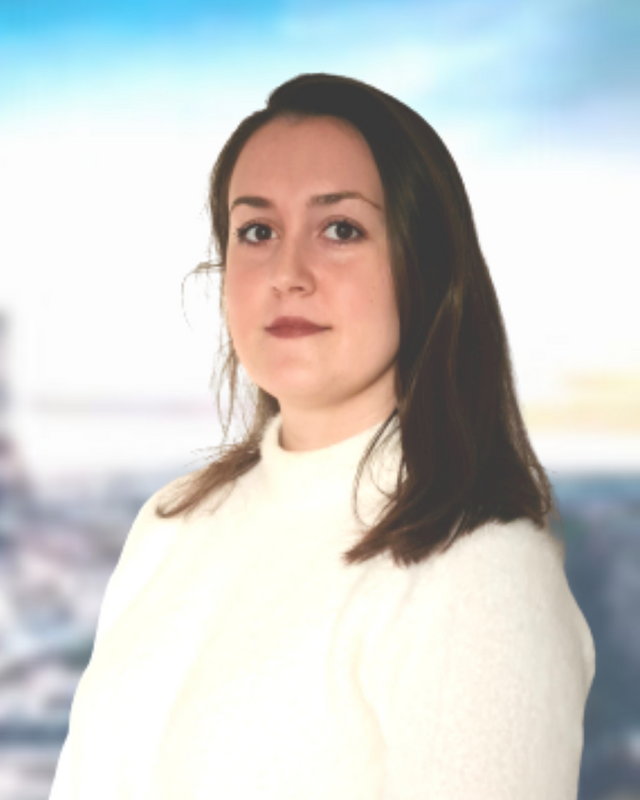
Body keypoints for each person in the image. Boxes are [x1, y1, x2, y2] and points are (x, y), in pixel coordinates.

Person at [48, 72, 596, 800]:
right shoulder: (170, 525)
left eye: (341, 229)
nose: (288, 273)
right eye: (257, 231)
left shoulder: (479, 568)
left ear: (424, 266)